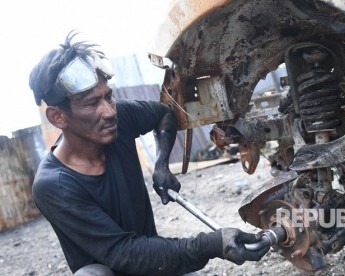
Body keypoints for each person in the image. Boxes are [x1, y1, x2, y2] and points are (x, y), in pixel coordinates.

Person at [29, 32, 269, 276]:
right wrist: (210, 244)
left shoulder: (118, 120)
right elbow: (122, 253)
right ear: (58, 117)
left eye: (108, 96)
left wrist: (162, 165)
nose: (109, 111)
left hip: (151, 263)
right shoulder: (54, 185)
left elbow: (164, 115)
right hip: (120, 264)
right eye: (91, 103)